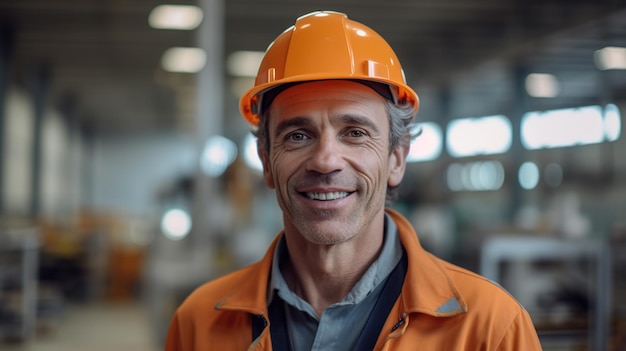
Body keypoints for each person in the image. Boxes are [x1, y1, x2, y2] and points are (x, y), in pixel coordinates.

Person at [165, 10, 542, 350]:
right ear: (266, 160)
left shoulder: (490, 329)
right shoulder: (199, 324)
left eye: (355, 133)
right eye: (298, 135)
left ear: (397, 158)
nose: (325, 161)